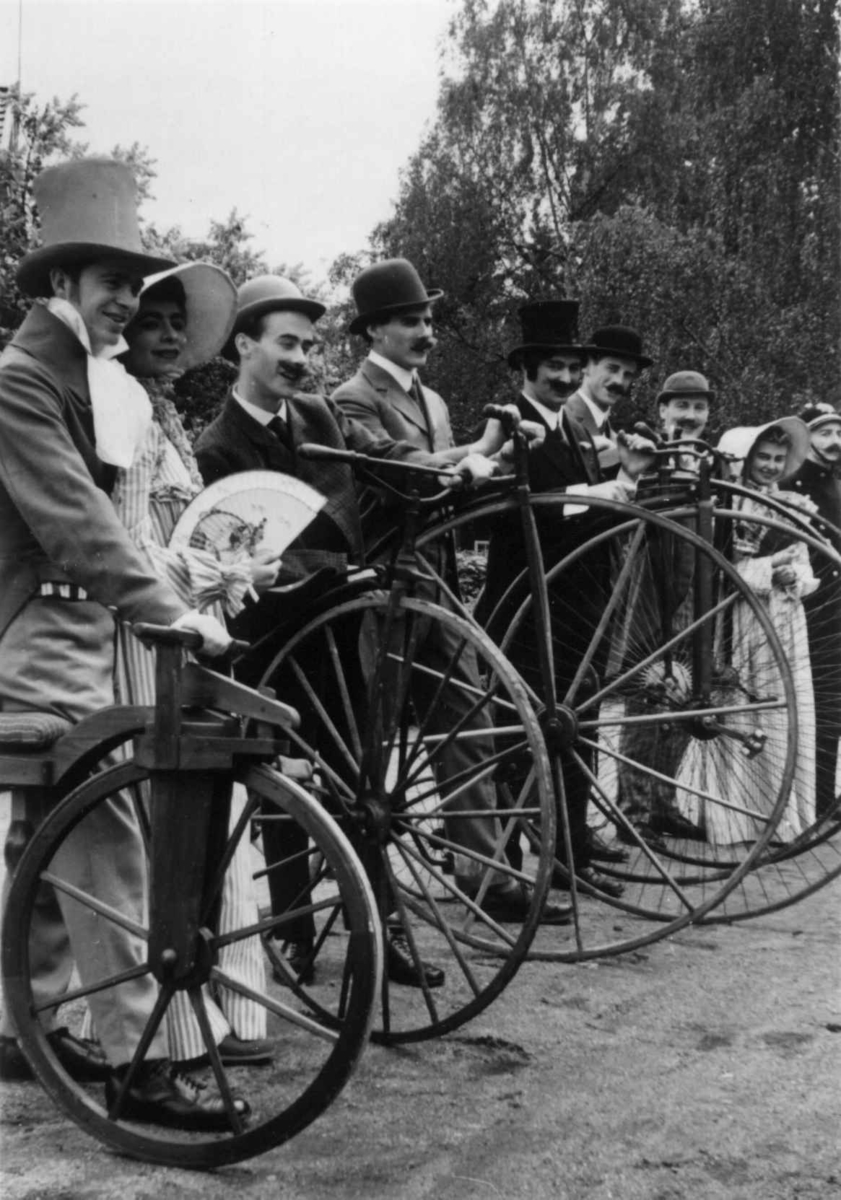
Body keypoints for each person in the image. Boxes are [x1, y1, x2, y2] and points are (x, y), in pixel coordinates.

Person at [195, 273, 559, 991]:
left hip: (338, 625)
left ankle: (383, 932)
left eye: (306, 345)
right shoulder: (218, 445)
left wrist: (468, 456)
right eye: (285, 344)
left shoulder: (319, 418)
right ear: (244, 345)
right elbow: (225, 556)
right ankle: (293, 931)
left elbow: (385, 461)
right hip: (269, 634)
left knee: (361, 787)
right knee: (280, 784)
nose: (299, 359)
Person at [0, 158, 245, 1130]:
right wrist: (169, 611)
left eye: (131, 291)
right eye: (112, 289)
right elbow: (76, 524)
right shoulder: (21, 384)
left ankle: (17, 1025)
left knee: (43, 841)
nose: (124, 307)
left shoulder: (82, 382)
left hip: (68, 643)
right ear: (63, 286)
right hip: (25, 648)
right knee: (105, 838)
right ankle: (139, 1061)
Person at [333, 259, 573, 919]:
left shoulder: (431, 400)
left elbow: (456, 479)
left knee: (468, 719)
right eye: (411, 321)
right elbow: (398, 475)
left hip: (434, 580)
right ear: (374, 330)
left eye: (430, 320)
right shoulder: (352, 398)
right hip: (382, 584)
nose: (426, 332)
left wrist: (498, 457)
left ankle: (486, 875)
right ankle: (367, 890)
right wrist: (481, 448)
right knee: (372, 740)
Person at [113, 262, 280, 1067]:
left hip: (196, 623)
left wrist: (236, 567)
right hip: (146, 634)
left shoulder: (165, 412)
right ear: (122, 331)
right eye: (155, 322)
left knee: (219, 804)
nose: (172, 336)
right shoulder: (120, 413)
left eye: (180, 322)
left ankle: (237, 1004)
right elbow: (128, 543)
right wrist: (204, 574)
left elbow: (188, 535)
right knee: (164, 814)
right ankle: (173, 1022)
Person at [478, 300, 657, 896]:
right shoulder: (514, 427)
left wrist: (616, 484)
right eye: (551, 367)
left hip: (575, 602)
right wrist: (621, 484)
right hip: (526, 604)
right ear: (526, 369)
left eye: (568, 367)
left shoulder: (570, 427)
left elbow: (580, 505)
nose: (561, 378)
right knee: (525, 738)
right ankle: (518, 865)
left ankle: (571, 853)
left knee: (573, 729)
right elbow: (547, 509)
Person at [676, 420, 817, 841]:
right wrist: (770, 568)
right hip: (739, 617)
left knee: (783, 710)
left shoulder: (793, 504)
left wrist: (795, 577)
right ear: (745, 460)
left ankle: (777, 811)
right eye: (763, 458)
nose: (771, 467)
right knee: (739, 705)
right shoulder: (729, 504)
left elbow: (804, 562)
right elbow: (719, 572)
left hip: (784, 618)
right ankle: (732, 814)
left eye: (778, 459)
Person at [612, 371, 716, 841]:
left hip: (699, 589)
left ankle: (663, 802)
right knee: (648, 693)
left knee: (688, 692)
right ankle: (632, 811)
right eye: (682, 406)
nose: (691, 416)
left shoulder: (712, 462)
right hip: (652, 585)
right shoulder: (649, 451)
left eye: (699, 407)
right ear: (663, 410)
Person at [781, 404, 841, 817]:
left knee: (833, 699)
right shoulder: (795, 482)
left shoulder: (835, 482)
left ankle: (823, 797)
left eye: (839, 433)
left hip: (836, 602)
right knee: (817, 699)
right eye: (824, 434)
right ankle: (814, 801)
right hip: (811, 602)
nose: (835, 442)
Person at [565, 325, 652, 472]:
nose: (619, 381)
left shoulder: (612, 435)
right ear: (586, 366)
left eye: (628, 374)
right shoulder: (562, 417)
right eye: (612, 369)